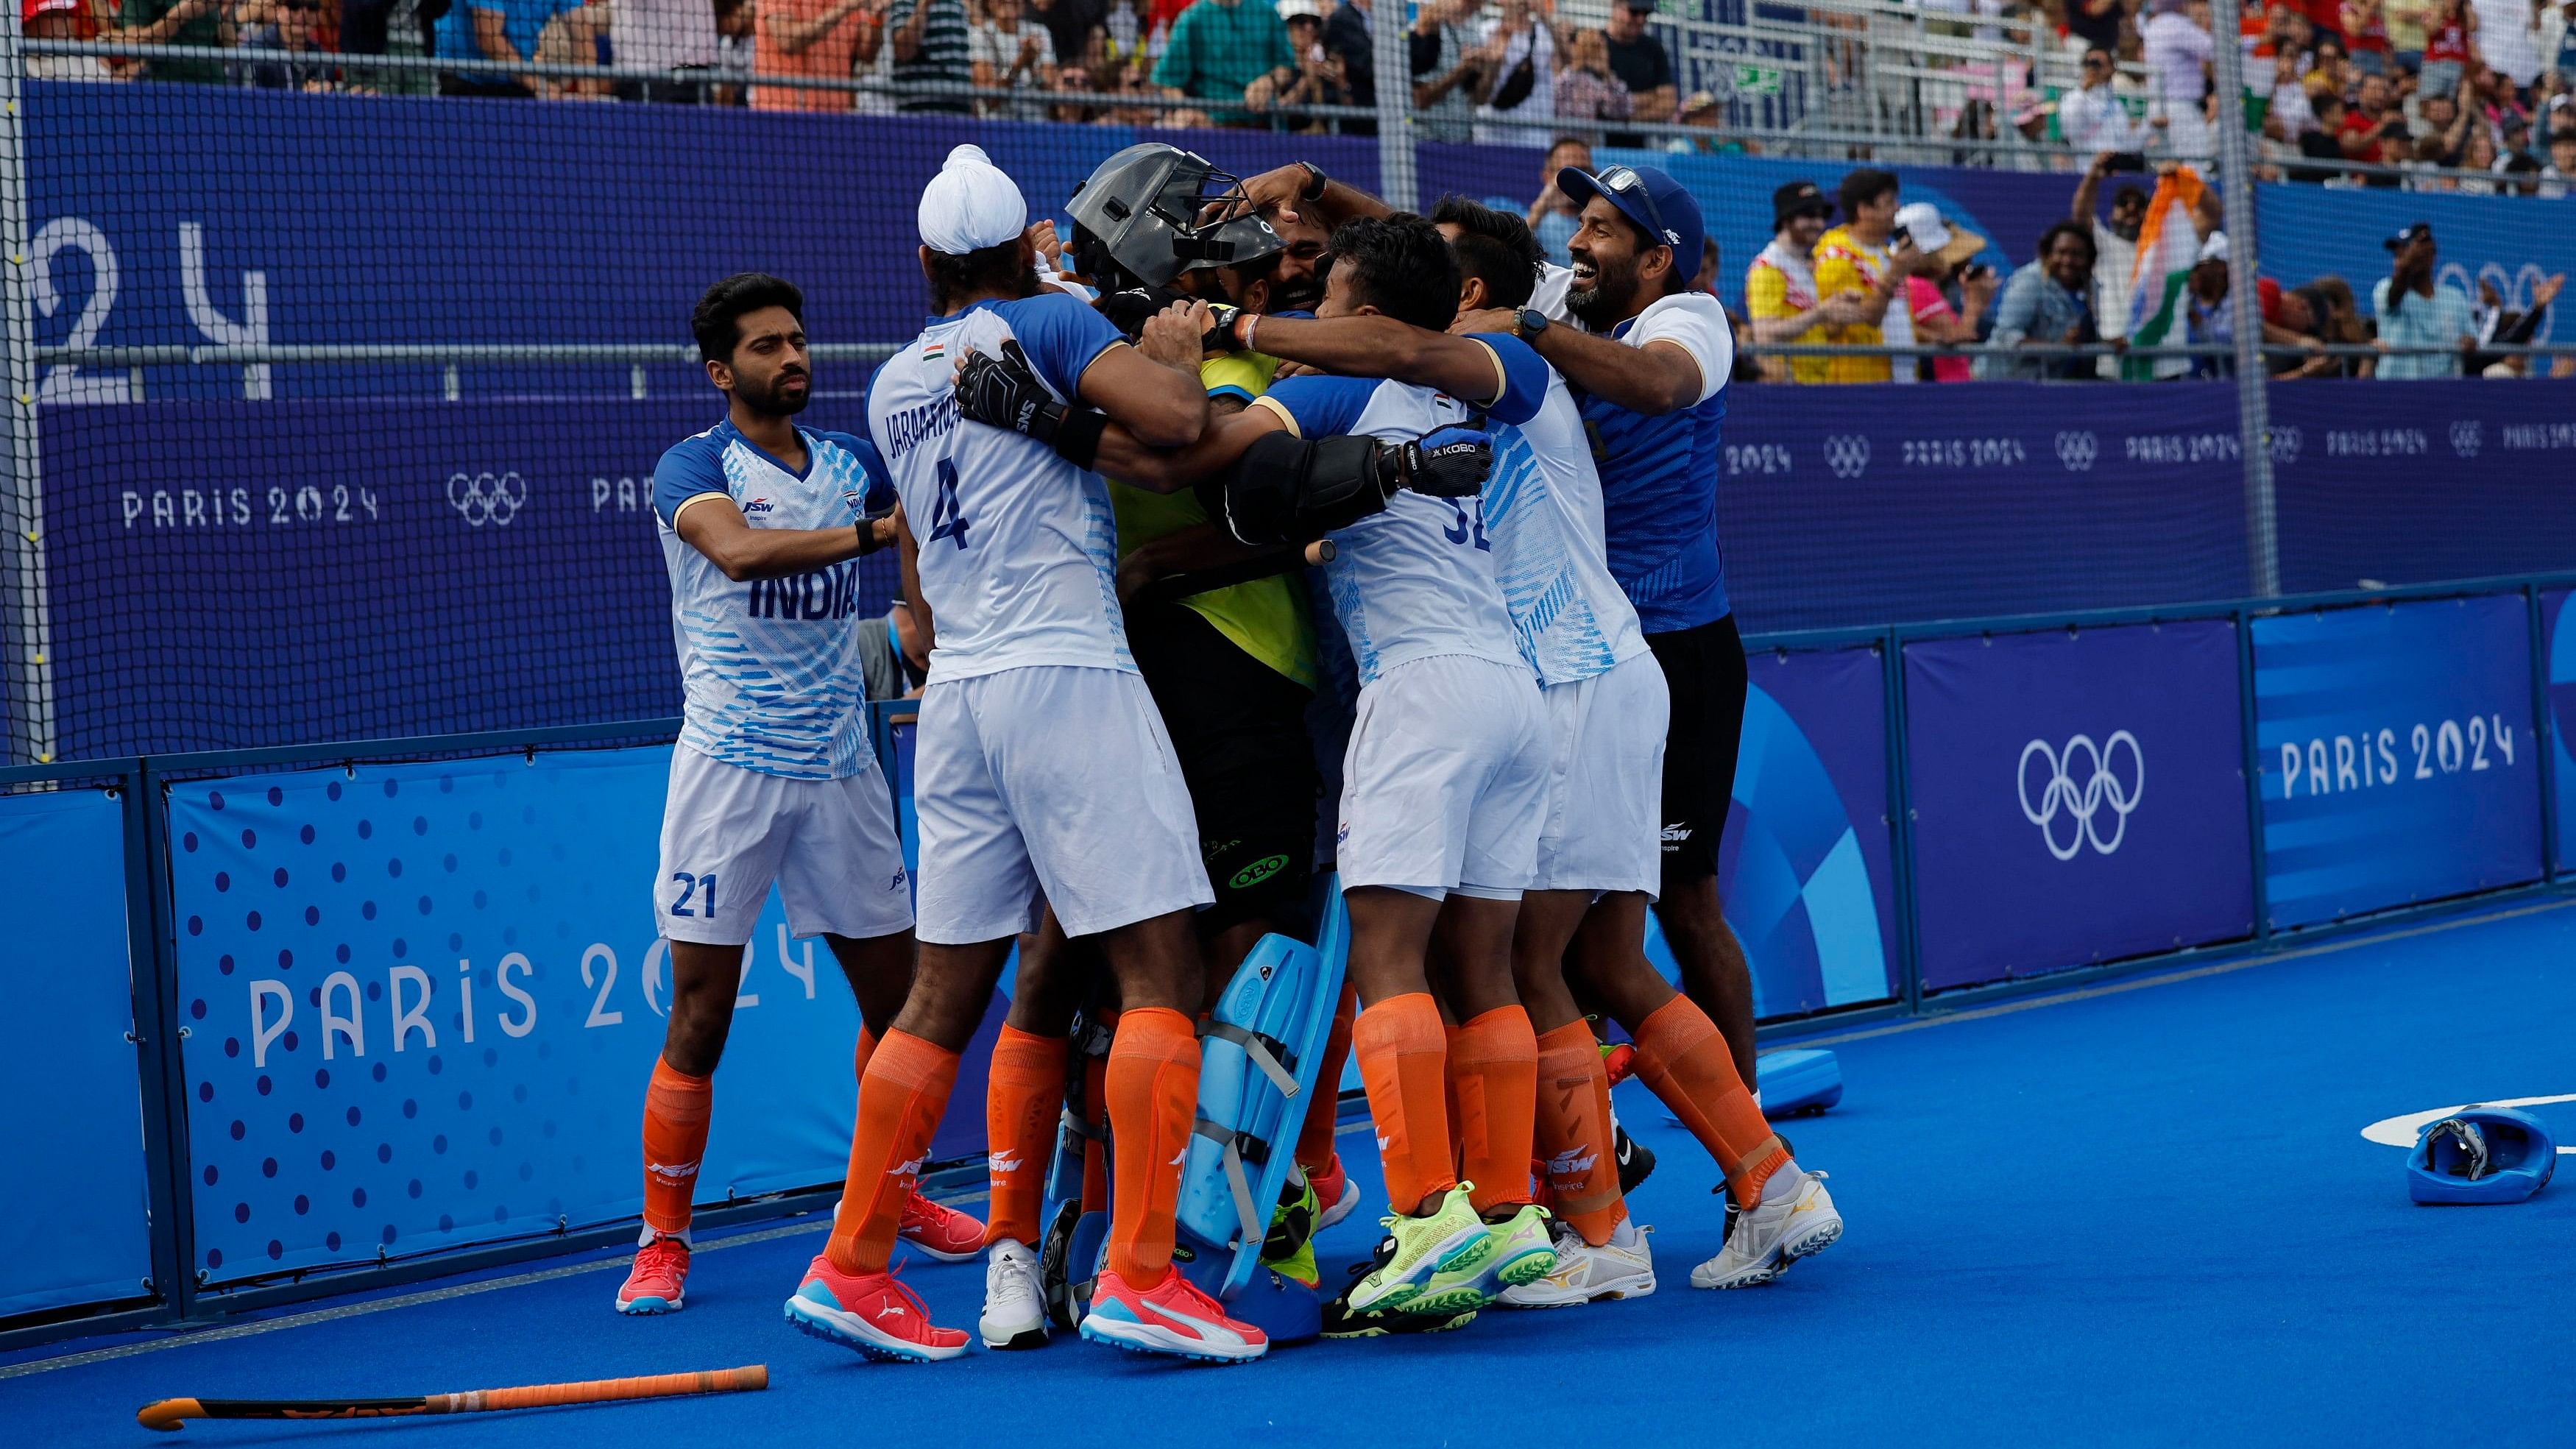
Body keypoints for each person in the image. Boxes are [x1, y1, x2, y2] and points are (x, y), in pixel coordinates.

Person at [964, 213, 1555, 1323]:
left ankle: (1429, 1217)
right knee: (1485, 968)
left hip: (1421, 692)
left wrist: (1054, 411)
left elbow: (1190, 451)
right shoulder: (1489, 382)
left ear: (1365, 316)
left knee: (1388, 956)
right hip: (1510, 691)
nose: (1305, 322)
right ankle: (1509, 1214)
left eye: (1322, 302)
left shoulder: (1331, 391)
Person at [785, 146, 1263, 1364]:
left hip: (959, 698)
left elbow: (912, 566)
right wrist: (1162, 348)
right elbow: (1178, 419)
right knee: (1161, 968)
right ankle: (1143, 1277)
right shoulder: (1044, 319)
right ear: (1025, 247)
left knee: (942, 995)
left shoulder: (896, 377)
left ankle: (850, 1261)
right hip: (1064, 672)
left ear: (925, 259)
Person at [614, 273, 984, 1318]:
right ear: (722, 371)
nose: (793, 357)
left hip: (842, 770)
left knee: (902, 1003)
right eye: (768, 346)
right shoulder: (695, 466)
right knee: (701, 1014)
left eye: (798, 340)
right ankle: (663, 1241)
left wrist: (918, 621)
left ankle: (893, 1195)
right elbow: (734, 553)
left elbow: (919, 537)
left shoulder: (852, 464)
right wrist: (876, 540)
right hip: (729, 772)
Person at [1812, 167, 1926, 385]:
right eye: (1889, 202)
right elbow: (1862, 320)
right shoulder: (1836, 258)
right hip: (1860, 386)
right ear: (1864, 210)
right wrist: (1893, 275)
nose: (1897, 208)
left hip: (1902, 379)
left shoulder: (1885, 253)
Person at [1744, 180, 1851, 384]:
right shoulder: (1768, 268)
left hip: (1815, 384)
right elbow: (1765, 334)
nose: (1819, 224)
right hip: (1789, 388)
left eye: (1821, 216)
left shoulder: (1804, 265)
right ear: (1786, 220)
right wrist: (1821, 313)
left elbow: (1810, 327)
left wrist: (1837, 311)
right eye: (1809, 216)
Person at [1980, 222, 2103, 379]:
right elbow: (2007, 336)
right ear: (2048, 254)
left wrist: (2108, 343)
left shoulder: (2091, 288)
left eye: (2077, 254)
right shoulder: (2030, 281)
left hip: (2062, 383)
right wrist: (2058, 348)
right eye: (2061, 252)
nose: (2068, 260)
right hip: (2010, 382)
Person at [1892, 202, 1997, 383]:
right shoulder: (1918, 287)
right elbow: (1959, 339)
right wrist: (1974, 303)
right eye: (1938, 249)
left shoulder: (1913, 285)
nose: (1943, 256)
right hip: (1943, 388)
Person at [1153, 0, 1293, 124]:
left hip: (1266, 127)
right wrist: (1189, 111)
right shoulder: (1192, 18)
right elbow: (1168, 82)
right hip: (1213, 129)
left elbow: (1287, 67)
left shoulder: (1267, 14)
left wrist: (1270, 80)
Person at [2371, 221, 2477, 378]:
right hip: (2395, 388)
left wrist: (2467, 344)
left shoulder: (2455, 298)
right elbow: (2393, 296)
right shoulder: (2384, 288)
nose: (2398, 262)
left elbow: (2472, 339)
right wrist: (2409, 262)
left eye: (2404, 255)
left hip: (2442, 390)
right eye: (2398, 256)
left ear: (2430, 256)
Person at [436, 0, 581, 96]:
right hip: (463, 78)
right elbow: (488, 38)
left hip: (514, 81)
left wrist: (588, 95)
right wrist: (541, 87)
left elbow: (582, 32)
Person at [751, 0, 869, 110]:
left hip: (835, 116)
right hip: (782, 113)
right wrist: (844, 8)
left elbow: (867, 54)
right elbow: (787, 40)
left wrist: (876, 17)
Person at [2142, 0, 2217, 157]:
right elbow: (2215, 50)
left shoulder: (2153, 25)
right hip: (2180, 110)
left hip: (2158, 107)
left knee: (2164, 168)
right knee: (2196, 166)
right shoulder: (2177, 25)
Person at [1602, 0, 1674, 145]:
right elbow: (1600, 101)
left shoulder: (1653, 48)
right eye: (1634, 12)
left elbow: (1668, 104)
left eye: (1645, 14)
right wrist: (1650, 97)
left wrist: (1627, 116)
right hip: (1600, 143)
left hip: (1642, 146)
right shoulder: (1597, 43)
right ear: (1616, 6)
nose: (1640, 19)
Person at [970, 0, 1056, 120]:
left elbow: (1051, 92)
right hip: (997, 126)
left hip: (1037, 124)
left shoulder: (1040, 32)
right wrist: (1020, 63)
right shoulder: (979, 35)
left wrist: (1032, 68)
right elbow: (988, 99)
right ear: (989, 3)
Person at [887, 0, 975, 114]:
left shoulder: (959, 4)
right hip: (918, 112)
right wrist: (925, 5)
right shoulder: (903, 3)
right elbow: (903, 51)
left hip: (960, 112)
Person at [2061, 46, 2151, 153]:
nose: (2093, 68)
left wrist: (2150, 126)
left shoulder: (2116, 105)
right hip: (2088, 167)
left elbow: (2129, 144)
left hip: (2117, 166)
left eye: (2098, 64)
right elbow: (2070, 132)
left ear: (2111, 68)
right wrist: (2083, 90)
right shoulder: (2072, 98)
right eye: (2089, 64)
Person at [1526, 135, 1593, 265]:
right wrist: (1541, 206)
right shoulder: (1535, 226)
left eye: (1584, 170)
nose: (1577, 179)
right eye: (1567, 171)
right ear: (1547, 178)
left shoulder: (1602, 221)